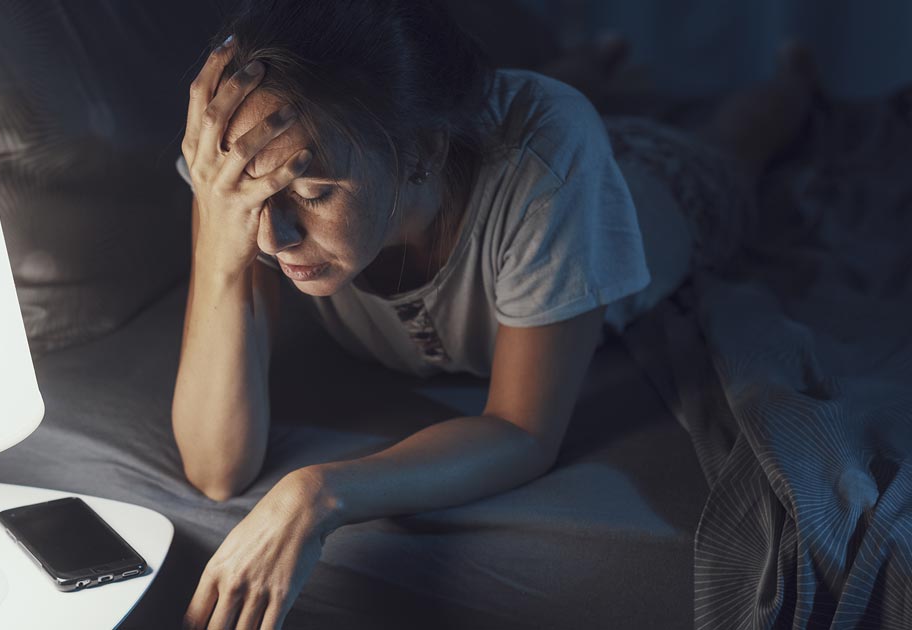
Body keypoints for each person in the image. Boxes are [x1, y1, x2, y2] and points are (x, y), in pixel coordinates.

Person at [171, 1, 819, 628]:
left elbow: (521, 429)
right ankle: (593, 61)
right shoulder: (246, 174)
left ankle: (795, 78)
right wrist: (218, 231)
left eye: (313, 194)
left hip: (661, 191)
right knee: (530, 112)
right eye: (252, 197)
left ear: (421, 149)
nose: (272, 237)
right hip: (489, 145)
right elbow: (215, 467)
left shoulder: (541, 165)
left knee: (737, 140)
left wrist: (315, 495)